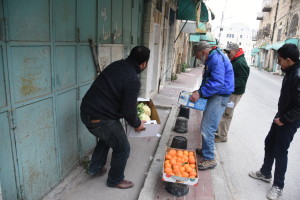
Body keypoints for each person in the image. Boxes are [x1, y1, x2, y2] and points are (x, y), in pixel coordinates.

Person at [80, 46, 150, 189]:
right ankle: (115, 180)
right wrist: (137, 124)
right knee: (123, 148)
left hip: (86, 111)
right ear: (144, 64)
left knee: (107, 138)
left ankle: (95, 168)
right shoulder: (133, 80)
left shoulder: (116, 64)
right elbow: (128, 111)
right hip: (100, 118)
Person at [249, 44, 300, 200]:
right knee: (269, 142)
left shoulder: (297, 75)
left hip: (289, 120)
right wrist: (280, 117)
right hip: (282, 115)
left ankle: (278, 186)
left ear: (289, 60)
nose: (278, 63)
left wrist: (284, 120)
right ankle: (265, 172)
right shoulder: (291, 71)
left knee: (280, 151)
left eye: (280, 60)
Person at [191, 41, 234, 170]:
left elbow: (217, 83)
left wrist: (200, 93)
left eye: (198, 56)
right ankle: (205, 150)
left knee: (207, 127)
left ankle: (210, 158)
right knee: (206, 124)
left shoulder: (215, 59)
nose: (198, 59)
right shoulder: (213, 58)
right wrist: (200, 91)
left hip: (219, 95)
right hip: (216, 95)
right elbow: (208, 79)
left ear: (203, 52)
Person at [215, 43, 250, 143]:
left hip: (235, 93)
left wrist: (229, 85)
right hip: (231, 91)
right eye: (226, 52)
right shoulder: (235, 60)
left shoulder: (240, 62)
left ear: (235, 51)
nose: (227, 54)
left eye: (229, 52)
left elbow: (243, 79)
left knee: (227, 114)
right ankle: (220, 132)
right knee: (223, 112)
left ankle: (222, 136)